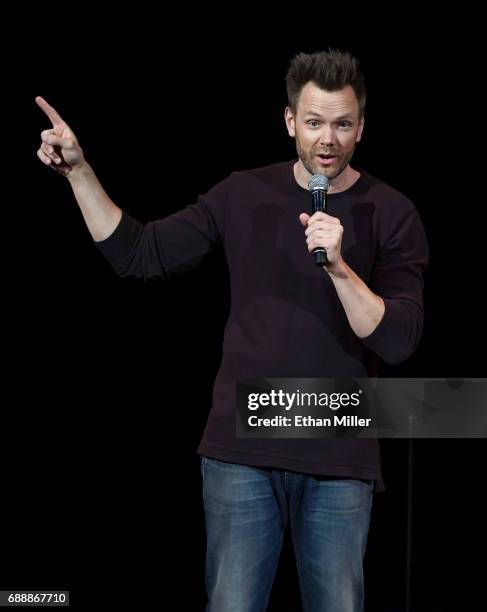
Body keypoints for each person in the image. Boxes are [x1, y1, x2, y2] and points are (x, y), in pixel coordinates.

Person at [36, 49, 428, 612]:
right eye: (314, 122)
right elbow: (141, 254)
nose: (327, 139)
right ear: (290, 121)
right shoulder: (243, 192)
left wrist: (340, 268)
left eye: (343, 124)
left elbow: (398, 340)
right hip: (240, 456)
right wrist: (79, 172)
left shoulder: (391, 211)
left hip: (338, 460)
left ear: (361, 127)